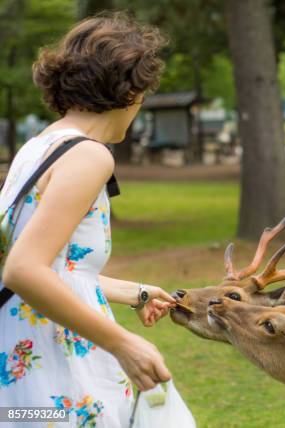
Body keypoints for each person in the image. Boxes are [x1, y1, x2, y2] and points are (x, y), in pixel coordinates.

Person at [0, 13, 175, 427]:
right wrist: (123, 344)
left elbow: (54, 266)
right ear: (128, 90)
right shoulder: (89, 156)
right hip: (56, 361)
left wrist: (135, 292)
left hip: (23, 355)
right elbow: (23, 269)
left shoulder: (38, 147)